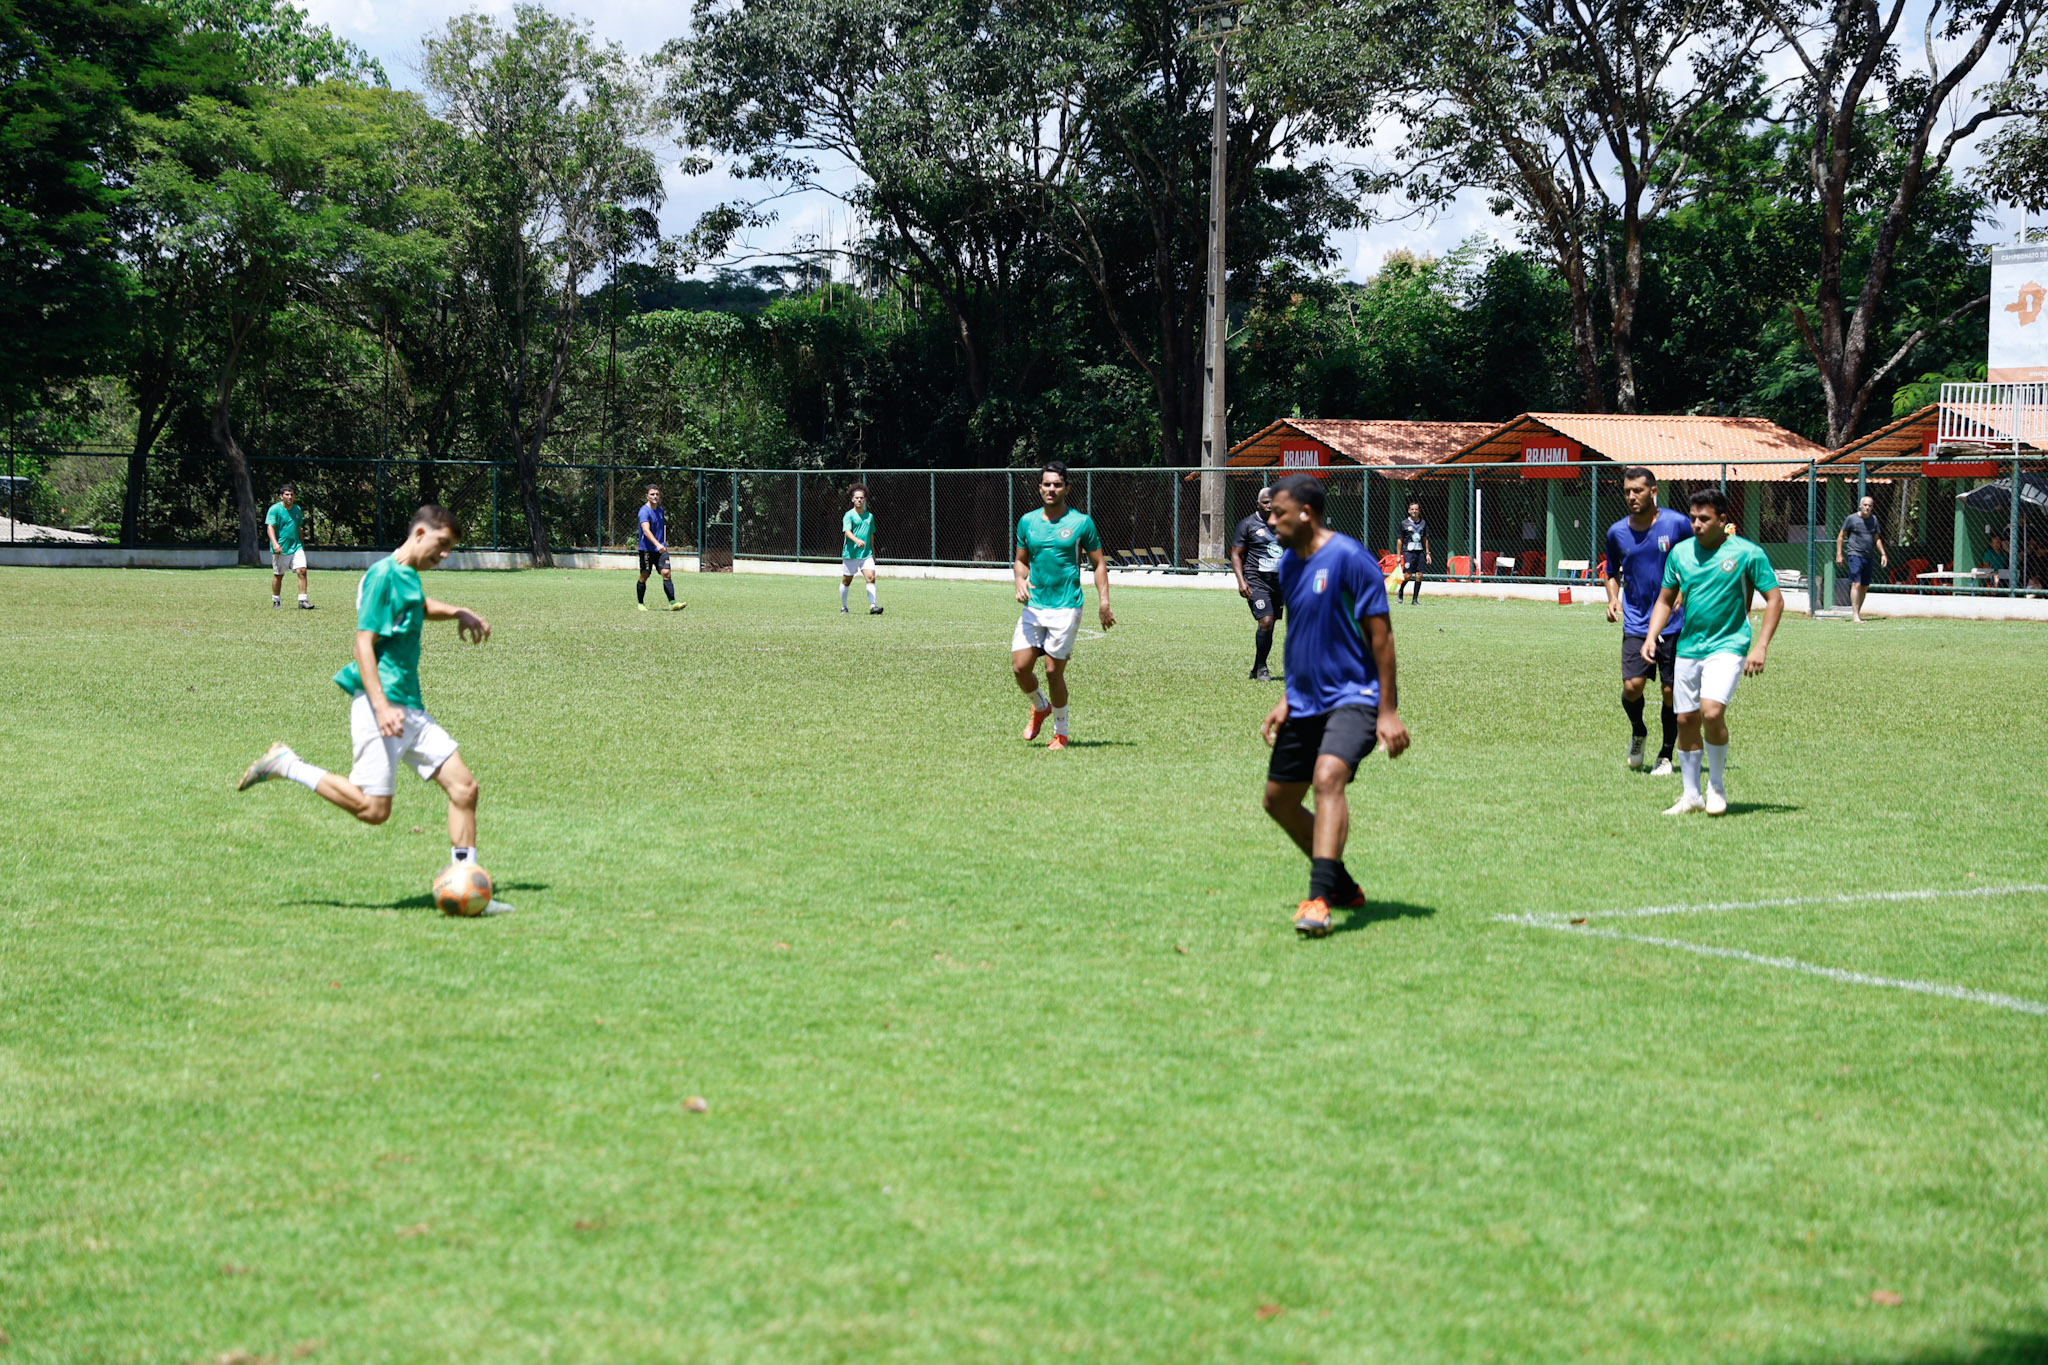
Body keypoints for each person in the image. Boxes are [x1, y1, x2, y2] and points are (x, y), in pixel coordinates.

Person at [236, 505, 512, 911]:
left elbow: (417, 605)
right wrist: (381, 707)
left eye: (451, 548)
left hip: (410, 707)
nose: (445, 554)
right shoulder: (383, 575)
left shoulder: (407, 575)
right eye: (442, 544)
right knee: (373, 809)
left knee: (464, 788)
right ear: (420, 533)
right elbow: (362, 644)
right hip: (380, 705)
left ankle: (467, 882)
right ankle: (286, 764)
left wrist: (458, 611)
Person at [1259, 473, 1410, 937]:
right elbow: (1303, 633)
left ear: (1306, 513)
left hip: (1355, 697)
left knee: (1328, 777)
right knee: (1279, 802)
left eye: (1278, 512)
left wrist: (1387, 711)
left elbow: (1381, 637)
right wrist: (1287, 696)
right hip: (1305, 701)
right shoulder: (1289, 563)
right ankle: (1341, 884)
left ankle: (1319, 898)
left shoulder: (1349, 558)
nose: (1271, 520)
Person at [1642, 488, 1784, 817]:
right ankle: (1691, 795)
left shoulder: (1748, 553)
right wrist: (1651, 636)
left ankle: (1716, 786)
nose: (1696, 524)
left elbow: (1775, 599)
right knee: (1685, 719)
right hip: (1689, 647)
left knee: (1711, 711)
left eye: (1704, 519)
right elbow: (1665, 599)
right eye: (1693, 518)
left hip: (1729, 645)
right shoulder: (1680, 554)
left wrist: (1761, 646)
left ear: (1722, 520)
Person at [1012, 461, 1115, 749]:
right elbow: (1020, 560)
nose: (1051, 489)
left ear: (1067, 488)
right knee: (1020, 667)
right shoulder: (1027, 522)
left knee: (1052, 671)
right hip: (1035, 606)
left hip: (1067, 606)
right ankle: (1040, 706)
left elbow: (1098, 563)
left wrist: (1104, 602)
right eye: (1047, 484)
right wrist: (1020, 580)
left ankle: (1061, 732)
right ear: (1039, 488)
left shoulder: (1081, 523)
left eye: (1057, 484)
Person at [1603, 467, 1692, 775]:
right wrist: (1613, 598)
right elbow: (1611, 572)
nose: (1632, 496)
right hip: (1637, 622)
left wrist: (1684, 590)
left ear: (1653, 491)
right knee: (1632, 686)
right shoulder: (1617, 532)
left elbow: (1696, 559)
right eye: (1627, 491)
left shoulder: (1677, 524)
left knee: (1670, 692)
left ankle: (1666, 754)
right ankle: (1638, 730)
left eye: (1638, 490)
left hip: (1674, 622)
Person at [1230, 485, 1284, 679]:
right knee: (1266, 621)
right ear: (1258, 504)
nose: (1269, 505)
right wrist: (1241, 581)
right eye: (1265, 502)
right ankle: (1262, 668)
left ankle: (1256, 667)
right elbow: (1236, 554)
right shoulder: (1247, 524)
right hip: (1256, 580)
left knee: (1270, 626)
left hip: (1279, 583)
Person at [1835, 493, 1888, 622]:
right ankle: (1855, 615)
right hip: (1855, 555)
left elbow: (1877, 539)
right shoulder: (1851, 519)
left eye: (1870, 505)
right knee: (1856, 583)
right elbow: (1841, 536)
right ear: (1860, 505)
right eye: (1865, 505)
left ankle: (1858, 612)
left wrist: (1883, 554)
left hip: (1868, 556)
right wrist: (1839, 554)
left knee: (1864, 586)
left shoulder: (1874, 520)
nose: (1867, 507)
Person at [636, 485, 686, 612]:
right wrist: (657, 544)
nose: (655, 497)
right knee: (645, 575)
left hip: (661, 549)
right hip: (647, 549)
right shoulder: (644, 511)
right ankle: (640, 603)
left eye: (657, 494)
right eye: (652, 494)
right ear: (647, 496)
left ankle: (673, 602)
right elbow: (646, 531)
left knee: (666, 573)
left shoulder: (660, 511)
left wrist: (662, 544)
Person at [266, 484, 312, 610]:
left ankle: (303, 600)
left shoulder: (297, 509)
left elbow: (299, 527)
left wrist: (302, 544)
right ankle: (276, 600)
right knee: (279, 575)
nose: (290, 497)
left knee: (302, 570)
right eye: (287, 494)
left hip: (296, 546)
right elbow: (270, 527)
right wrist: (275, 543)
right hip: (281, 548)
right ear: (281, 496)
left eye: (292, 494)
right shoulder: (275, 509)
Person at [840, 484, 881, 614]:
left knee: (871, 577)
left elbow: (871, 534)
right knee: (846, 581)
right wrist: (857, 540)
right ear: (852, 499)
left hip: (866, 554)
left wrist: (873, 551)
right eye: (857, 498)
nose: (859, 500)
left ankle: (873, 606)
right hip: (851, 554)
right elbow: (847, 531)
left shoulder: (869, 516)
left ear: (865, 499)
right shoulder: (849, 515)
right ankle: (844, 606)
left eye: (861, 498)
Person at [1397, 502, 1431, 604]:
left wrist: (1428, 553)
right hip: (1408, 552)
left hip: (1420, 552)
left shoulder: (1423, 523)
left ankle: (1415, 600)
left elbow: (1425, 539)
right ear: (1409, 511)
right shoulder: (1404, 523)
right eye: (1412, 509)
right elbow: (1400, 540)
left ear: (1419, 511)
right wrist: (1399, 555)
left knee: (1419, 575)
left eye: (1416, 509)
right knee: (1408, 574)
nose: (1414, 511)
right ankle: (1401, 590)